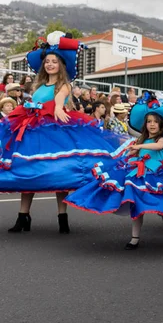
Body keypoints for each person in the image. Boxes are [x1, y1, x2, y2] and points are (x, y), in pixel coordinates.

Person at [1, 31, 133, 233]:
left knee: (59, 172)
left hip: (54, 128)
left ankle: (62, 217)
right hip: (32, 130)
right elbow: (33, 103)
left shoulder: (64, 84)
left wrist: (58, 108)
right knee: (27, 172)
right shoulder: (38, 85)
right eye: (47, 61)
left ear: (60, 65)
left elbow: (60, 99)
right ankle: (23, 217)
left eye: (54, 61)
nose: (50, 64)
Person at [66, 92, 163, 248]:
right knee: (137, 206)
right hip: (139, 173)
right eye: (149, 121)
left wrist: (139, 146)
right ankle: (134, 239)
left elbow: (158, 147)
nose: (152, 124)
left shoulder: (160, 138)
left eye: (155, 122)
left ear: (161, 125)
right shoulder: (142, 139)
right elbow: (136, 151)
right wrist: (132, 151)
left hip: (159, 173)